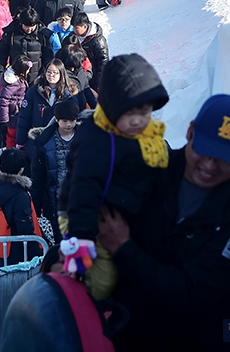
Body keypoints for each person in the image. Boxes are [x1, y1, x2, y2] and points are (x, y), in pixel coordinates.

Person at [98, 93, 230, 352]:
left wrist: (124, 249)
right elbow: (95, 227)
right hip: (126, 339)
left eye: (224, 158)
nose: (209, 165)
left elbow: (192, 293)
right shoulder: (150, 174)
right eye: (205, 150)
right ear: (190, 132)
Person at [58, 53, 169, 300]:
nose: (139, 120)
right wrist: (82, 238)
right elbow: (83, 191)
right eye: (131, 113)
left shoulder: (145, 136)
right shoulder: (97, 141)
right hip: (89, 218)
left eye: (145, 111)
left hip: (119, 211)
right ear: (112, 107)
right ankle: (84, 306)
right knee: (103, 278)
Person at [0, 148, 39, 267]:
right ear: (21, 169)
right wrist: (37, 254)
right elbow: (25, 228)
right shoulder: (19, 195)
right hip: (17, 252)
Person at [31, 98, 80, 241]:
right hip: (57, 199)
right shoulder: (44, 142)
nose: (69, 124)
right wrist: (37, 205)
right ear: (57, 120)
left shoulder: (86, 138)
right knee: (62, 240)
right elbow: (38, 176)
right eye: (65, 121)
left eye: (72, 120)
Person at [15, 59, 78, 155]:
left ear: (61, 74)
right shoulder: (35, 91)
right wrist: (20, 140)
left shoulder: (69, 95)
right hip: (37, 139)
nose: (51, 75)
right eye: (49, 72)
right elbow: (24, 117)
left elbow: (75, 118)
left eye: (55, 73)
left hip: (60, 142)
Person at [0, 6, 53, 86]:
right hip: (15, 75)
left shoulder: (42, 35)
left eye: (32, 27)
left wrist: (47, 71)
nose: (29, 30)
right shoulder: (10, 34)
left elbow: (48, 55)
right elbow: (1, 54)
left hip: (36, 75)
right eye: (26, 26)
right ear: (21, 23)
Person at [0, 56, 32, 147]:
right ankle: (11, 154)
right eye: (28, 69)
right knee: (12, 136)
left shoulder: (18, 79)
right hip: (14, 114)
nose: (28, 71)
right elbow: (3, 101)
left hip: (18, 111)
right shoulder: (13, 83)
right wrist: (4, 119)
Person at [72, 12, 109, 92]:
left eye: (76, 28)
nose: (74, 30)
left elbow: (103, 62)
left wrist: (99, 83)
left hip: (94, 77)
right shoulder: (74, 37)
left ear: (85, 26)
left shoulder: (98, 40)